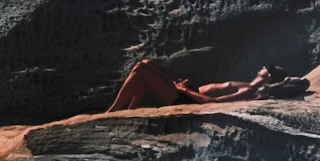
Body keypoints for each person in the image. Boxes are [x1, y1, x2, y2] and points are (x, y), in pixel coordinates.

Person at [107, 58, 308, 112]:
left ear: (270, 78)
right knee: (148, 63)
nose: (265, 66)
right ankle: (131, 110)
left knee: (141, 68)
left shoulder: (249, 90)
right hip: (189, 91)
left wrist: (183, 90)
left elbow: (211, 102)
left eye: (270, 68)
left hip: (186, 99)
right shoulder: (246, 84)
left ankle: (114, 110)